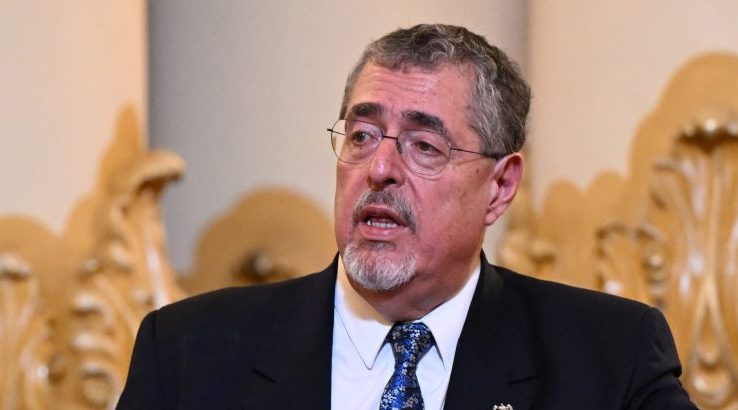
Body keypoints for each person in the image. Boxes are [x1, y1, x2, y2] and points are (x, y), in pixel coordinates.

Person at [118, 24, 697, 409]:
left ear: (500, 186)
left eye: (424, 146)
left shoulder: (608, 360)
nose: (379, 168)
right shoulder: (189, 354)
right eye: (362, 135)